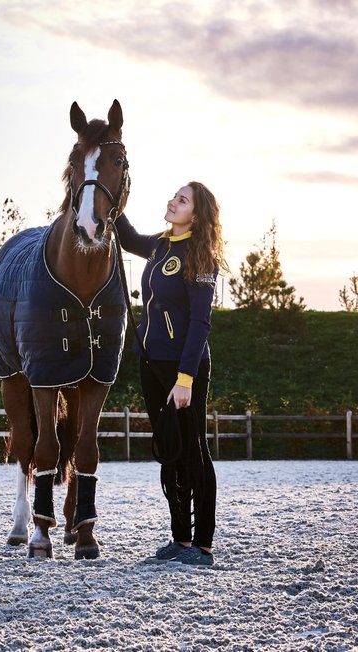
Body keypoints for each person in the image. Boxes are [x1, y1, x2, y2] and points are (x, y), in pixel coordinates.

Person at [114, 181, 227, 566]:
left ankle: (203, 545)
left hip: (185, 369)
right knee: (170, 452)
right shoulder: (161, 244)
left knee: (194, 451)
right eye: (174, 196)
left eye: (182, 200)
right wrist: (111, 196)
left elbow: (200, 323)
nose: (173, 202)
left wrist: (185, 379)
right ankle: (179, 539)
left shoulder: (200, 256)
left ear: (196, 214)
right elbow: (126, 237)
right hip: (150, 362)